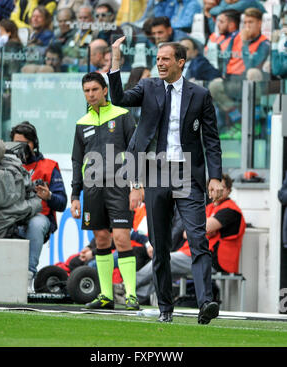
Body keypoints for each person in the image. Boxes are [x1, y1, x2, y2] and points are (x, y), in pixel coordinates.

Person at [108, 37, 223, 324]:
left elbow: (211, 139)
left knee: (198, 239)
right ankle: (165, 309)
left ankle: (206, 302)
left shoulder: (200, 94)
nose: (160, 63)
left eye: (165, 59)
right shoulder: (148, 87)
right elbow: (119, 99)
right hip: (155, 172)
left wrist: (215, 177)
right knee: (159, 247)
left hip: (187, 173)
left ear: (180, 62)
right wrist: (116, 60)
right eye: (158, 59)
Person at [70, 72, 138, 310]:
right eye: (87, 91)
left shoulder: (122, 116)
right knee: (101, 239)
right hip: (92, 189)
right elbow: (77, 161)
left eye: (94, 90)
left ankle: (131, 295)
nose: (91, 95)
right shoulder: (81, 123)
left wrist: (135, 186)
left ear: (105, 90)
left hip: (119, 186)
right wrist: (74, 196)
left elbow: (136, 152)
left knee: (121, 238)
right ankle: (106, 295)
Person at [137, 174, 246, 304]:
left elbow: (198, 228)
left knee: (165, 261)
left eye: (221, 187)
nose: (216, 191)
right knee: (163, 270)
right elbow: (188, 232)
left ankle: (128, 286)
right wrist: (204, 230)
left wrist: (202, 229)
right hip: (195, 254)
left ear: (228, 190)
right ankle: (134, 295)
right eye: (213, 188)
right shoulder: (210, 208)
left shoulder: (230, 210)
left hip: (214, 261)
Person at [10, 121, 67, 292]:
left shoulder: (49, 166)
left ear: (34, 144)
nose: (20, 148)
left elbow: (62, 203)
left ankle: (28, 276)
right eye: (16, 143)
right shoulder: (5, 166)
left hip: (39, 218)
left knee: (36, 224)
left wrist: (48, 196)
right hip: (10, 217)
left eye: (25, 143)